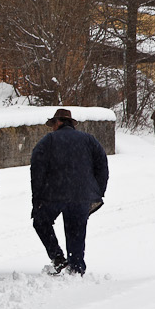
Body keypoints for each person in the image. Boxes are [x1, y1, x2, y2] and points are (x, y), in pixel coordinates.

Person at [31, 108, 109, 276]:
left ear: (59, 122)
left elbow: (37, 169)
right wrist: (97, 192)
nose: (52, 127)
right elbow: (102, 165)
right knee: (76, 230)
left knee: (40, 222)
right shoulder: (89, 140)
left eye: (53, 123)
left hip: (54, 194)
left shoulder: (49, 140)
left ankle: (58, 258)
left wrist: (37, 198)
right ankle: (76, 267)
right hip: (82, 195)